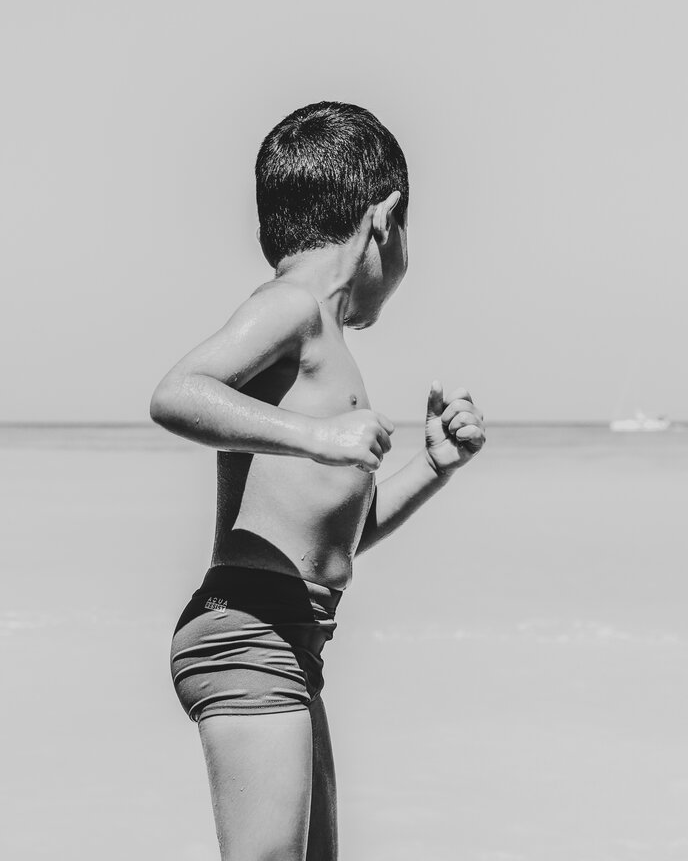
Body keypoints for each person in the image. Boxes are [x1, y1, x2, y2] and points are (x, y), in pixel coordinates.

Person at [150, 100, 486, 861]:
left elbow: (336, 541)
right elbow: (176, 394)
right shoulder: (291, 308)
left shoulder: (319, 339)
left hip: (291, 636)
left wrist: (433, 467)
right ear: (385, 220)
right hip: (248, 633)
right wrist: (318, 435)